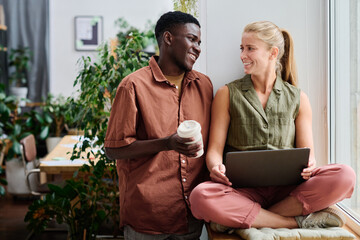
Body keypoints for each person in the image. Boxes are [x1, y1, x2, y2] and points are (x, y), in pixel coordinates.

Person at [189, 21, 356, 232]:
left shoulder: (298, 98)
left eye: (250, 48)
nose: (242, 55)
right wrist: (215, 167)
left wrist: (310, 165)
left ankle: (249, 216)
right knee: (200, 196)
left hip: (287, 193)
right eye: (242, 48)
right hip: (242, 191)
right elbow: (213, 151)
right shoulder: (227, 93)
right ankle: (292, 222)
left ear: (272, 53)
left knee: (345, 175)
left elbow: (308, 155)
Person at [104, 11, 213, 239]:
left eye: (199, 42)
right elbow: (113, 149)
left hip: (191, 215)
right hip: (148, 216)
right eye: (192, 39)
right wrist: (167, 144)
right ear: (168, 38)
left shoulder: (204, 85)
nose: (198, 47)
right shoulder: (132, 86)